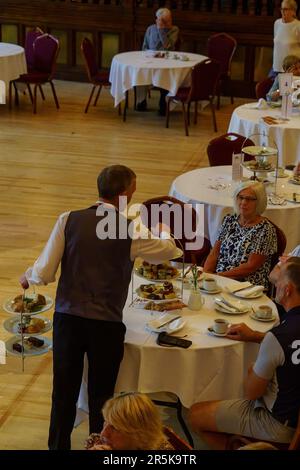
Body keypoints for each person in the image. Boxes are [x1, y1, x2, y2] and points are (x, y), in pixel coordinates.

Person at [19, 164, 179, 450]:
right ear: (124, 194)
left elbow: (43, 273)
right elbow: (171, 251)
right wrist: (164, 231)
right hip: (106, 324)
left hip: (68, 320)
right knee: (102, 397)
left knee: (63, 394)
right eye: (132, 189)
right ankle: (101, 447)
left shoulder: (68, 219)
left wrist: (27, 275)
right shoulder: (130, 230)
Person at [188, 259, 300, 449]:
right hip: (294, 417)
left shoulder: (278, 337)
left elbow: (251, 393)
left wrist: (251, 370)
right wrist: (256, 336)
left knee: (195, 414)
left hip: (277, 422)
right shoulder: (282, 335)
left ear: (287, 290)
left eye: (278, 282)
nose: (276, 287)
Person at [203, 181, 277, 288]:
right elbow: (214, 252)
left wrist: (218, 277)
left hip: (246, 287)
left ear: (259, 202)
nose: (243, 202)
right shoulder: (229, 220)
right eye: (240, 197)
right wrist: (206, 276)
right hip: (219, 280)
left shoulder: (265, 229)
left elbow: (251, 266)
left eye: (249, 199)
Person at [85, 392, 174, 450]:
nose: (103, 433)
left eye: (114, 428)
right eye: (105, 422)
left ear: (139, 435)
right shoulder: (96, 441)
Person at [137, 8, 179, 115]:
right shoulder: (150, 29)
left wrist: (161, 30)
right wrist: (148, 54)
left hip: (166, 63)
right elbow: (145, 47)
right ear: (158, 19)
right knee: (140, 73)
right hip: (150, 61)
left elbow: (168, 47)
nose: (169, 22)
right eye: (165, 20)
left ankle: (163, 103)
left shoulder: (174, 29)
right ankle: (141, 101)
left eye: (169, 19)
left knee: (165, 76)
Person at [271, 0, 300, 78]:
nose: (282, 11)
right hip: (276, 68)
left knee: (285, 90)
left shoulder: (298, 26)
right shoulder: (277, 23)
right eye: (281, 9)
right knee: (271, 90)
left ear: (293, 11)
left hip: (291, 70)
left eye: (285, 9)